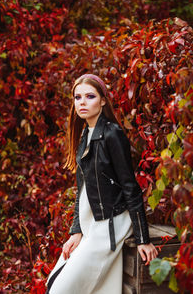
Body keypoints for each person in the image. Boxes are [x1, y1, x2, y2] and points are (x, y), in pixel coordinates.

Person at [46, 74, 158, 294]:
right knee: (53, 280)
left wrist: (143, 238)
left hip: (110, 224)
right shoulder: (85, 135)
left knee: (60, 290)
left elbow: (130, 186)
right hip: (90, 226)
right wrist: (76, 230)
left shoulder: (112, 134)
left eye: (90, 96)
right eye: (77, 97)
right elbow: (82, 190)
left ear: (103, 101)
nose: (82, 102)